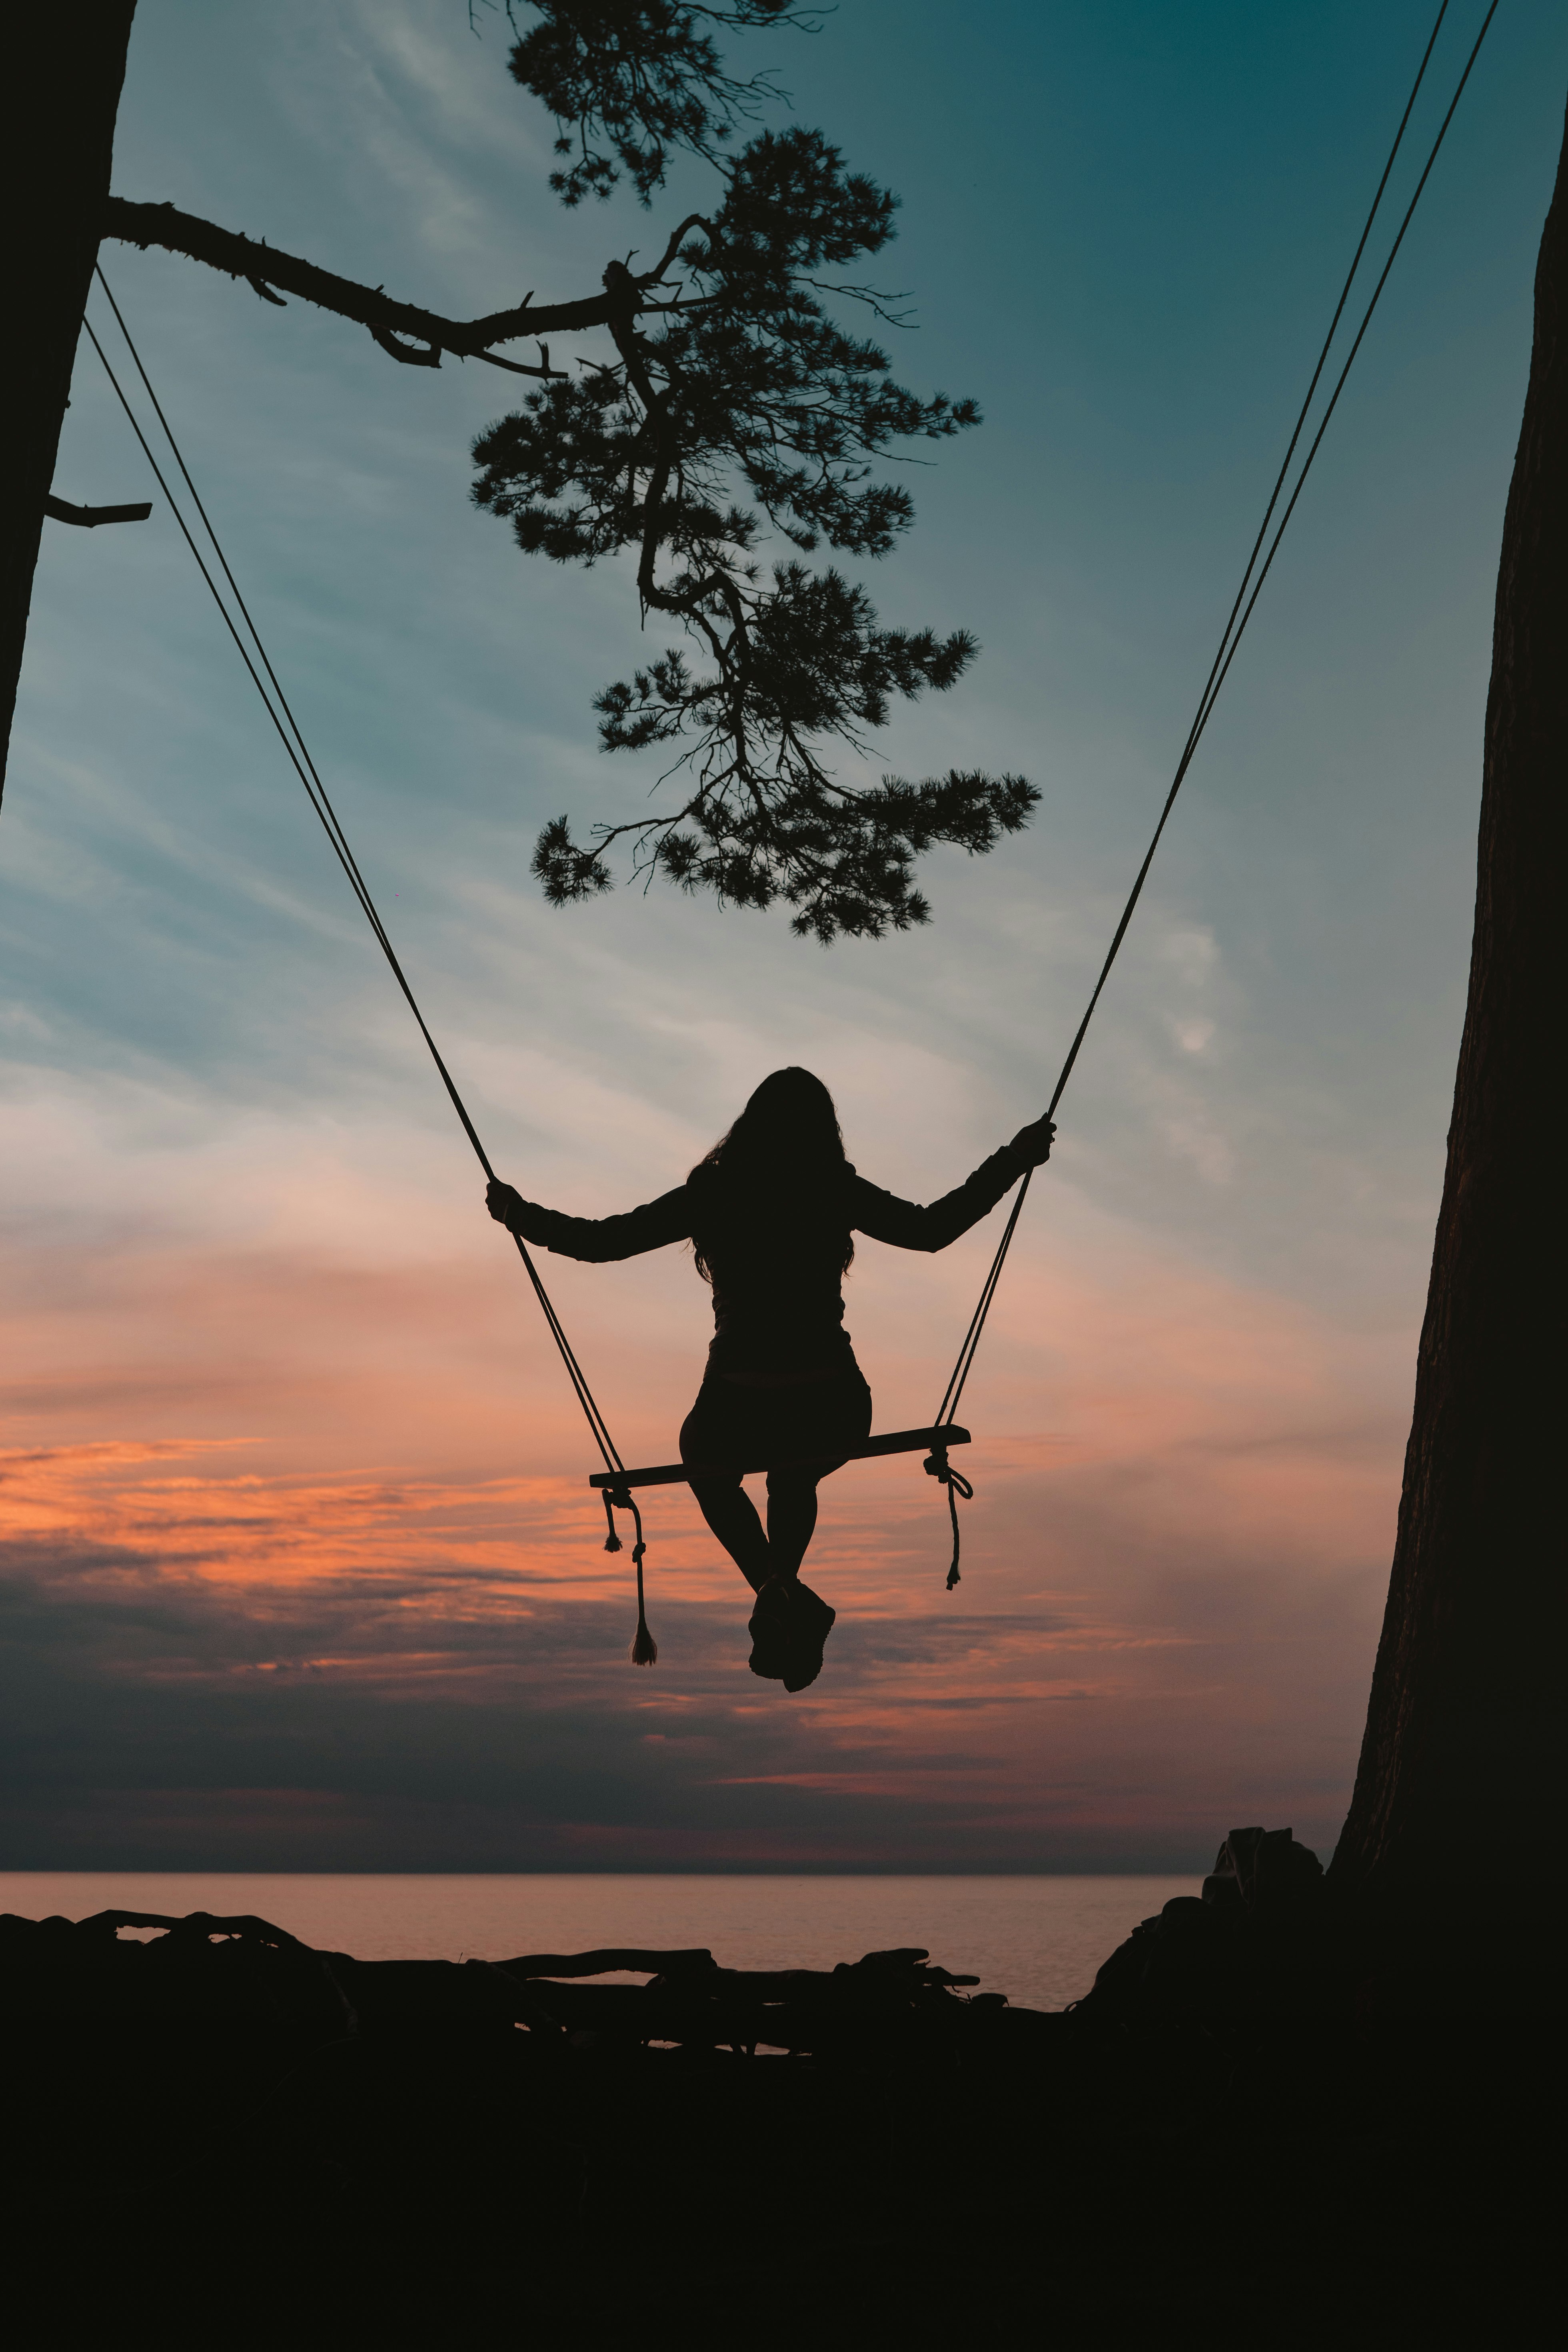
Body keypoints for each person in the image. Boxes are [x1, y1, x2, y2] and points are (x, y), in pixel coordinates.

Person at [487, 1067, 1055, 1691]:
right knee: (793, 1471)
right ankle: (780, 1592)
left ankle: (778, 1592)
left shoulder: (716, 1192)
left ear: (747, 1127)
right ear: (823, 1132)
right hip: (830, 1398)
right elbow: (931, 1229)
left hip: (736, 1403)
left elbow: (603, 1242)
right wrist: (1012, 1160)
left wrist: (519, 1213)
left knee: (710, 1467)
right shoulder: (829, 1187)